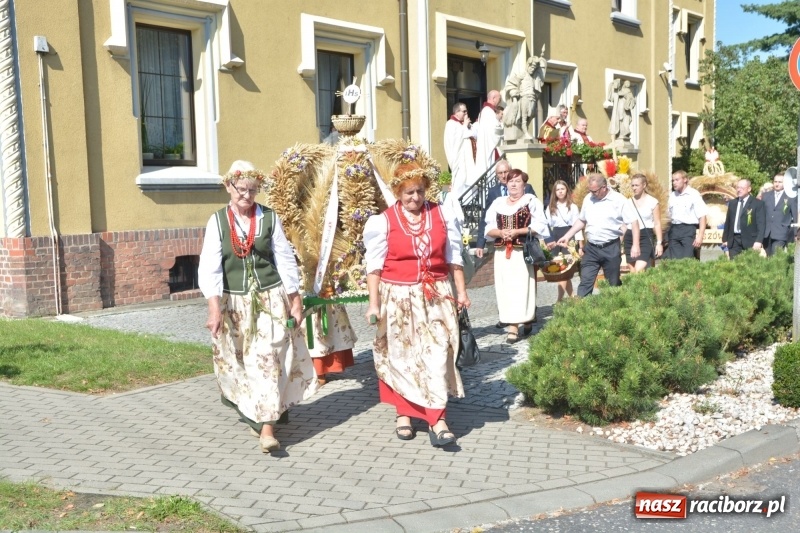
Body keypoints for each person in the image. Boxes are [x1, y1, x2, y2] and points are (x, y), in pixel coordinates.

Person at [198, 160, 318, 454]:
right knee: (241, 362)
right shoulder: (217, 221)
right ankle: (257, 414)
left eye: (252, 190)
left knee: (269, 357)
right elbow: (210, 268)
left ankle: (267, 429)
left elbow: (285, 260)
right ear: (229, 187)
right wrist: (214, 308)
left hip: (270, 299)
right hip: (235, 303)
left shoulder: (269, 218)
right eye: (241, 190)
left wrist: (295, 299)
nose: (246, 196)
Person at [363, 162, 469, 447]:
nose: (415, 198)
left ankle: (438, 419)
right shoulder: (383, 221)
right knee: (402, 357)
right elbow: (373, 267)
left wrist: (461, 292)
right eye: (409, 192)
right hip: (398, 298)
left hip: (436, 296)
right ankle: (404, 413)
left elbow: (454, 258)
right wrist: (374, 305)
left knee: (436, 355)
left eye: (420, 191)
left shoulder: (442, 214)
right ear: (398, 192)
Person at [484, 169, 550, 343]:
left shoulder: (530, 201)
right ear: (506, 184)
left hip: (522, 252)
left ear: (524, 184)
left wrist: (517, 231)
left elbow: (540, 226)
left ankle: (516, 326)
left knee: (521, 288)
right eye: (510, 181)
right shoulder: (498, 203)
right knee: (505, 288)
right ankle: (522, 320)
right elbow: (488, 229)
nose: (513, 184)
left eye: (517, 181)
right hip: (502, 252)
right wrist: (500, 232)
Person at [557, 173, 639, 297]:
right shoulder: (588, 198)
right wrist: (568, 236)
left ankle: (614, 313)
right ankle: (583, 313)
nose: (592, 194)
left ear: (604, 187)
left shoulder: (619, 200)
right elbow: (582, 220)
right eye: (590, 190)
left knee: (613, 285)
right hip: (591, 249)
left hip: (610, 247)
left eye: (594, 191)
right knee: (585, 282)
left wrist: (636, 245)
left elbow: (633, 222)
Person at [475, 160, 535, 259]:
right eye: (500, 173)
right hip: (502, 243)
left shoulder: (527, 189)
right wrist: (480, 244)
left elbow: (537, 215)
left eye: (506, 172)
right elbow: (485, 219)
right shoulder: (493, 192)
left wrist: (548, 240)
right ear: (496, 175)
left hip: (523, 242)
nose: (503, 176)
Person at [546, 180, 583, 300]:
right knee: (560, 269)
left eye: (562, 189)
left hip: (569, 235)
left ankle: (559, 299)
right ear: (554, 192)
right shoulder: (550, 207)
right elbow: (546, 225)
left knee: (565, 269)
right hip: (556, 237)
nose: (560, 191)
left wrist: (580, 245)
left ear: (566, 190)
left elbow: (578, 226)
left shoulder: (572, 206)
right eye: (557, 189)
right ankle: (573, 297)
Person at [503, 47, 547, 139]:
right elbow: (511, 84)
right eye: (531, 67)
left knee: (530, 115)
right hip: (524, 98)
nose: (532, 69)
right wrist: (515, 98)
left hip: (532, 98)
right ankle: (525, 131)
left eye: (534, 68)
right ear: (528, 65)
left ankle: (525, 130)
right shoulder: (523, 74)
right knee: (524, 117)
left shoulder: (534, 78)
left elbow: (541, 75)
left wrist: (542, 61)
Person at [623, 173, 663, 272]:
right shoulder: (628, 202)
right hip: (629, 235)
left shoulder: (653, 202)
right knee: (632, 271)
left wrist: (659, 243)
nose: (634, 188)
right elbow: (623, 223)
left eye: (637, 185)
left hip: (645, 235)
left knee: (638, 269)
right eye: (632, 185)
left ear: (644, 185)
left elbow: (657, 223)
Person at [667, 170, 707, 259]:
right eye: (673, 180)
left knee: (688, 258)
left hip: (688, 230)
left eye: (677, 180)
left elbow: (702, 216)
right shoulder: (672, 195)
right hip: (674, 229)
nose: (674, 183)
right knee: (674, 260)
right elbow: (669, 216)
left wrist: (700, 236)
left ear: (685, 180)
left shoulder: (694, 194)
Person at [721, 179, 766, 259]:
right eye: (737, 187)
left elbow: (761, 224)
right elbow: (728, 222)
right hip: (734, 240)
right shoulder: (732, 203)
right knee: (734, 265)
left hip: (750, 241)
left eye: (742, 188)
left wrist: (758, 241)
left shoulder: (757, 204)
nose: (739, 190)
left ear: (749, 189)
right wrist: (725, 239)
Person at [444, 102, 477, 198]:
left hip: (468, 159)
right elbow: (455, 140)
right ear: (457, 112)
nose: (466, 114)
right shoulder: (450, 124)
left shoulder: (462, 124)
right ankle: (458, 201)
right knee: (460, 180)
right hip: (459, 159)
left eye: (466, 111)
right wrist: (464, 126)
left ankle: (470, 201)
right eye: (464, 111)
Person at [762, 173, 797, 255]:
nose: (777, 184)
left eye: (780, 182)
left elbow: (795, 216)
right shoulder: (766, 196)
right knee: (768, 258)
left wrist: (796, 234)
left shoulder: (791, 197)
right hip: (767, 233)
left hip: (781, 233)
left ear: (785, 183)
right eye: (775, 182)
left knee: (776, 257)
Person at [474, 89, 504, 181]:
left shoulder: (485, 111)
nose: (500, 101)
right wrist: (502, 125)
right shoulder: (488, 112)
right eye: (499, 98)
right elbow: (495, 130)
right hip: (490, 147)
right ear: (494, 98)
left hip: (487, 145)